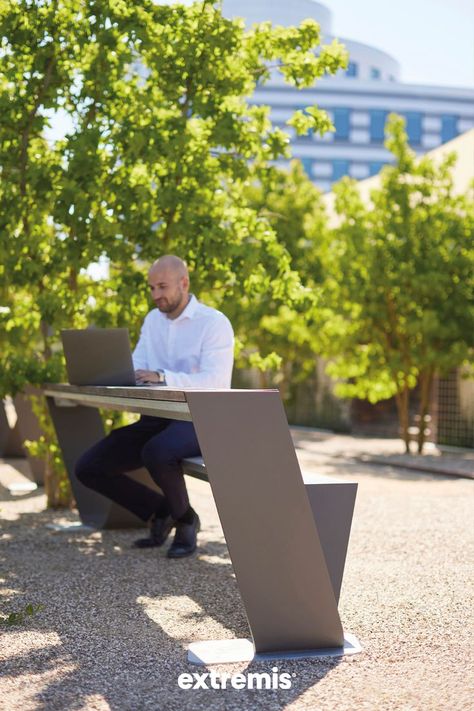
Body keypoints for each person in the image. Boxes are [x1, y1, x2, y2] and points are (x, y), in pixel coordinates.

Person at [75, 255, 234, 558]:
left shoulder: (214, 323)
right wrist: (120, 373)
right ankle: (162, 509)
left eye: (162, 286)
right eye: (152, 288)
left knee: (157, 451)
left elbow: (215, 380)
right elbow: (138, 365)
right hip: (155, 418)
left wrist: (161, 376)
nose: (156, 294)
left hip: (199, 420)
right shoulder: (152, 320)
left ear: (184, 283)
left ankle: (186, 520)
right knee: (89, 467)